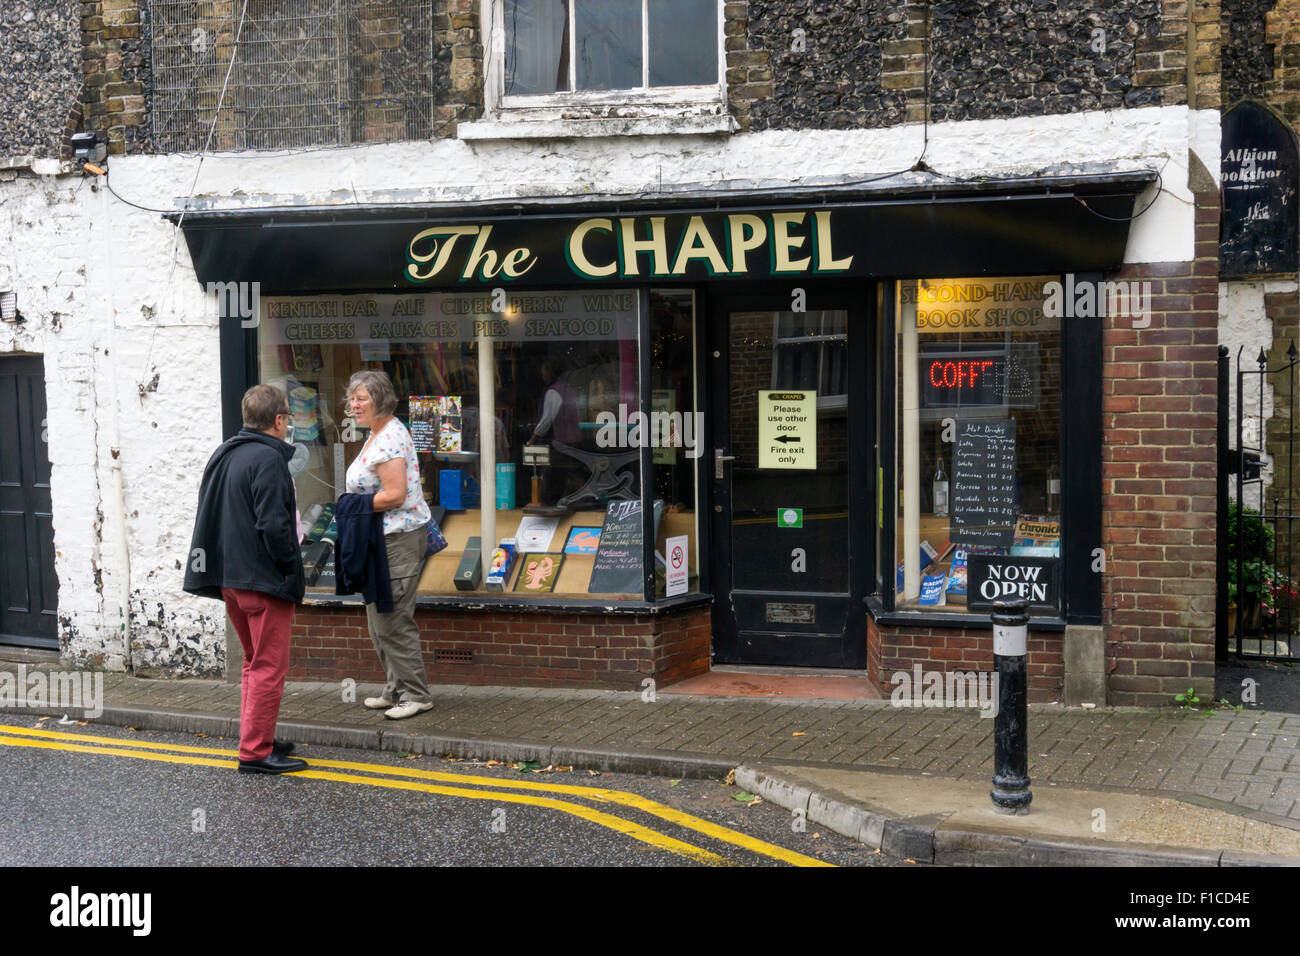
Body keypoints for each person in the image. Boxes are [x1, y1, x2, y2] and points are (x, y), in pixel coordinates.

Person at [183, 385, 308, 774]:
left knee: (253, 662)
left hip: (230, 578)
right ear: (279, 420)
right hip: (263, 579)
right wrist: (290, 568)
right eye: (287, 418)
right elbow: (274, 526)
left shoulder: (226, 453)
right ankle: (255, 751)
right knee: (269, 665)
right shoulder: (268, 459)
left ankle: (258, 736)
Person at [345, 369, 435, 720]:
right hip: (379, 540)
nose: (354, 404)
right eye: (352, 398)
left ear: (380, 400)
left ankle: (417, 694)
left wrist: (354, 506)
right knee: (377, 619)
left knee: (393, 621)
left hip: (396, 541)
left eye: (362, 398)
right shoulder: (377, 434)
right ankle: (396, 689)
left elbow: (395, 495)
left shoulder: (390, 438)